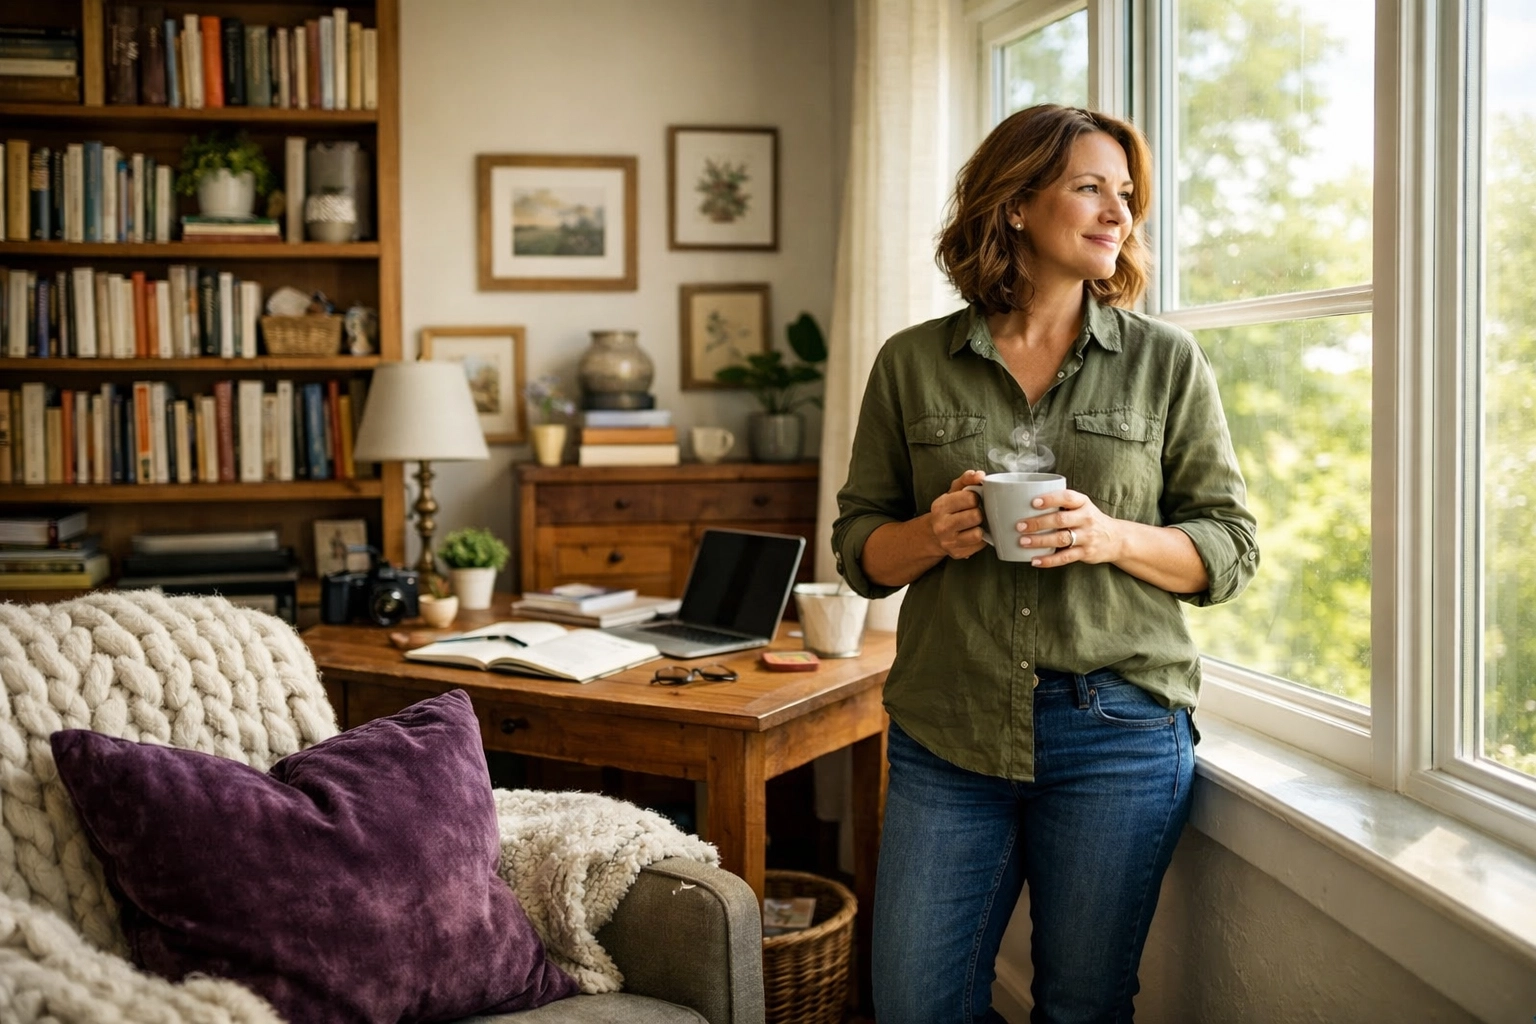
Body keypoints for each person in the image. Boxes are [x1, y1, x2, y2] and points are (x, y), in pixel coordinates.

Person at [831, 104, 1258, 1024]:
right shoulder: (911, 363)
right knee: (912, 1002)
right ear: (1018, 204)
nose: (1119, 214)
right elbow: (860, 548)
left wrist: (1112, 537)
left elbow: (1229, 547)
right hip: (947, 729)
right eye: (1090, 189)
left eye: (1127, 196)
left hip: (1117, 733)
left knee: (1082, 1003)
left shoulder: (1166, 362)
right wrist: (931, 535)